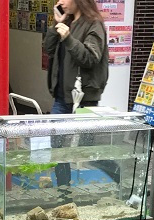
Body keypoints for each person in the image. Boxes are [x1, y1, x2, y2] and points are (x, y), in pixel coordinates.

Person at [44, 0, 108, 186]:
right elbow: (48, 49)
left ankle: (122, 179)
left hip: (84, 97)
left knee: (86, 149)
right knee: (57, 146)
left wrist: (69, 38)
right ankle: (63, 189)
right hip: (62, 96)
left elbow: (91, 58)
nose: (60, 2)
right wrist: (56, 25)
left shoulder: (94, 24)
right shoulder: (67, 22)